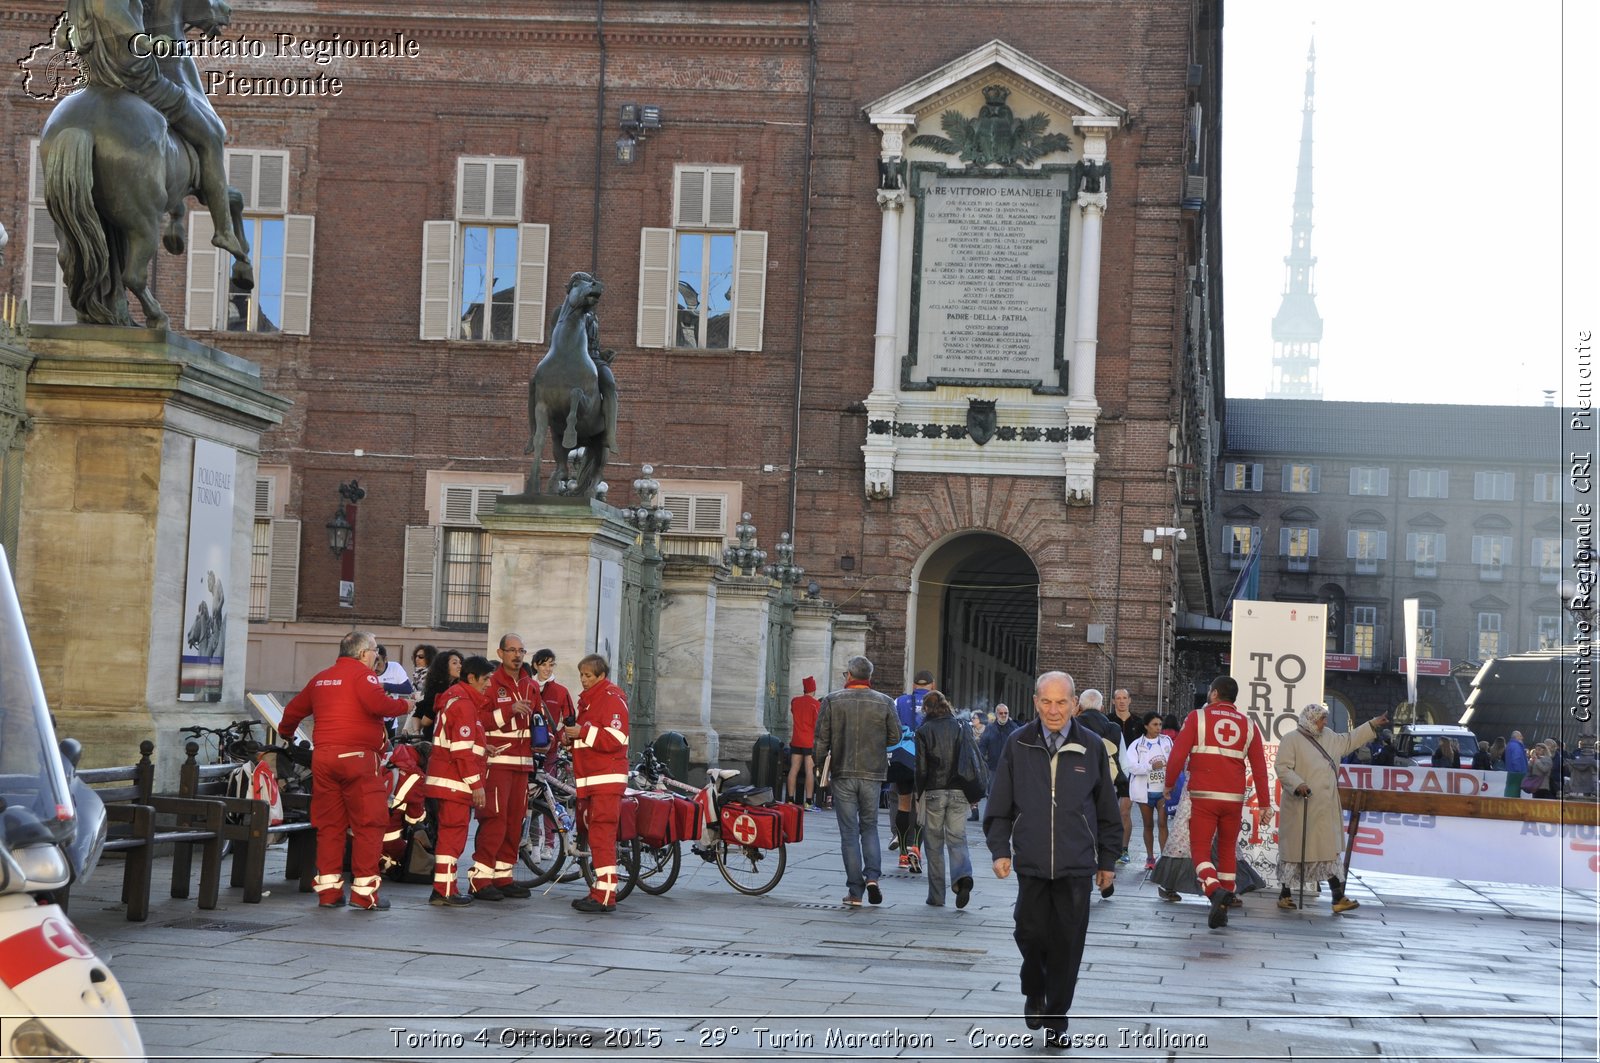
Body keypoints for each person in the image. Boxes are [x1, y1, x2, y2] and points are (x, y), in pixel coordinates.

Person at [984, 671, 1119, 1049]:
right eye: (1047, 701)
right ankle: (1035, 988)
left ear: (1075, 704)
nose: (1054, 710)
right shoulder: (1018, 743)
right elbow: (999, 807)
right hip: (1032, 861)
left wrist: (1107, 861)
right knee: (1028, 932)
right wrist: (999, 850)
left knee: (1067, 944)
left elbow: (1108, 810)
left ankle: (1057, 1017)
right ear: (1035, 702)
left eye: (1062, 702)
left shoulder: (1092, 746)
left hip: (1077, 865)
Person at [62, 0, 245, 262]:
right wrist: (147, 43)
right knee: (211, 136)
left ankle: (178, 211)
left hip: (95, 80)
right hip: (139, 79)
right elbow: (117, 18)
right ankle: (224, 230)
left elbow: (63, 36)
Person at [278, 631, 412, 910]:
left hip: (324, 760)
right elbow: (379, 705)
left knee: (329, 826)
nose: (377, 656)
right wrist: (405, 705)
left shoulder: (321, 678)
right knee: (368, 825)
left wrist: (287, 734)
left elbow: (292, 711)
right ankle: (365, 895)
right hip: (359, 761)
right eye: (374, 650)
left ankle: (328, 893)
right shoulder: (364, 677)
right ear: (363, 653)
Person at [1162, 675, 1271, 929]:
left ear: (1213, 694)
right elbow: (1259, 767)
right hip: (1233, 798)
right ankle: (1225, 897)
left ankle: (1213, 890)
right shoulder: (1249, 724)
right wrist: (1265, 804)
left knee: (1199, 848)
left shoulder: (1197, 718)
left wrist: (1168, 784)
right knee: (1226, 849)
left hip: (1203, 796)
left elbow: (1178, 754)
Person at [1273, 703, 1387, 914]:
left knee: (1328, 851)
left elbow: (1350, 740)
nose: (1324, 723)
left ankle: (1337, 897)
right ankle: (1286, 894)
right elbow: (1282, 767)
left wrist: (1372, 725)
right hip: (1302, 806)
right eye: (1321, 719)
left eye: (1325, 719)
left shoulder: (1330, 737)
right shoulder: (1291, 740)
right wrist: (1298, 784)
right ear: (1310, 720)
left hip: (1325, 807)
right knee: (1295, 851)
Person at [814, 655, 901, 907]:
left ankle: (855, 891)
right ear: (869, 677)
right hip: (872, 773)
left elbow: (821, 739)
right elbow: (895, 736)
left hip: (842, 772)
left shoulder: (832, 700)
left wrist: (820, 767)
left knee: (849, 833)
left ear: (849, 675)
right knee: (870, 826)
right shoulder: (884, 702)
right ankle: (873, 877)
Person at [469, 634, 537, 901]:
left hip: (523, 764)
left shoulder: (531, 685)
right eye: (512, 650)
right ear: (500, 653)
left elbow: (538, 717)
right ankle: (480, 879)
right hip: (497, 763)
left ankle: (503, 876)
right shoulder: (491, 681)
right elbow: (479, 721)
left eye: (521, 650)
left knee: (513, 822)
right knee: (494, 820)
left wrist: (546, 739)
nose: (517, 655)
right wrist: (509, 711)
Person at [423, 655, 492, 907]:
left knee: (450, 836)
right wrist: (477, 786)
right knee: (453, 837)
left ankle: (445, 887)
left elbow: (461, 743)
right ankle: (444, 890)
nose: (488, 685)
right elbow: (462, 752)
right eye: (485, 680)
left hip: (447, 779)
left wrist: (485, 748)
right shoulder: (464, 704)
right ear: (472, 678)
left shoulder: (456, 698)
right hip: (455, 781)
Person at [568, 653, 630, 913]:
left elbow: (615, 737)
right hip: (595, 779)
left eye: (588, 676)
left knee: (602, 837)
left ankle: (604, 895)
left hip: (605, 780)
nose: (583, 680)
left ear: (601, 676)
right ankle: (601, 891)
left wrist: (582, 732)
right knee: (599, 837)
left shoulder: (610, 699)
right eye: (581, 675)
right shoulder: (591, 700)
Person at [913, 690, 975, 908]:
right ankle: (963, 877)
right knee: (957, 838)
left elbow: (921, 769)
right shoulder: (961, 727)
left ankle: (937, 896)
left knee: (934, 844)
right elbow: (970, 760)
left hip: (934, 792)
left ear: (926, 709)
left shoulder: (923, 731)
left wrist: (918, 793)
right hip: (959, 791)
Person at [1075, 689, 1129, 864]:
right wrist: (1124, 787)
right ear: (1102, 707)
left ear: (1080, 706)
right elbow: (1123, 762)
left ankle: (1081, 851)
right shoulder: (1113, 728)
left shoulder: (1072, 725)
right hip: (1108, 782)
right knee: (1104, 818)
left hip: (1077, 781)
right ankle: (1102, 854)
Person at [891, 670, 935, 866]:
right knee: (921, 805)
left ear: (914, 685)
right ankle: (916, 847)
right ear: (932, 685)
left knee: (903, 804)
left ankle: (902, 852)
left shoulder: (899, 702)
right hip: (925, 760)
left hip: (903, 759)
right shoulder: (937, 702)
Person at [1124, 712, 1172, 870]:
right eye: (1155, 725)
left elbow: (1174, 760)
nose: (1159, 728)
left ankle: (1164, 858)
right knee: (1148, 824)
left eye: (1160, 724)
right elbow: (1131, 767)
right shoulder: (1137, 745)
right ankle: (1150, 857)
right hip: (1145, 792)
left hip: (1163, 791)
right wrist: (1151, 767)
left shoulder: (1167, 741)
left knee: (1163, 823)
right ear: (1146, 726)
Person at [530, 648, 574, 774]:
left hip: (550, 750)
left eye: (551, 665)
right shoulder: (527, 688)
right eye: (543, 664)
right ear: (535, 665)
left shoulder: (561, 691)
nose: (548, 669)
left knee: (548, 787)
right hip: (527, 748)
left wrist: (558, 737)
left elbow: (570, 719)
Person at [412, 649, 463, 739]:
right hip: (435, 737)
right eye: (455, 663)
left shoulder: (456, 686)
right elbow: (425, 719)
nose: (459, 666)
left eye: (460, 663)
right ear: (444, 666)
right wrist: (416, 731)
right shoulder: (439, 688)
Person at [788, 676, 821, 810]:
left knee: (793, 770)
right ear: (813, 689)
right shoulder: (816, 704)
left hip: (796, 740)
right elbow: (817, 725)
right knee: (809, 771)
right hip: (809, 742)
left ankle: (790, 800)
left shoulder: (795, 701)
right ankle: (808, 802)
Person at [979, 703, 1021, 780]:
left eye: (1006, 713)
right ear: (996, 714)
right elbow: (982, 747)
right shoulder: (989, 728)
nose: (1003, 715)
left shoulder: (1015, 728)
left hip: (1010, 769)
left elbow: (1020, 748)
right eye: (1001, 713)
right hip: (993, 769)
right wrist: (982, 764)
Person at [1504, 731, 1530, 797]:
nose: (1522, 738)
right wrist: (1518, 770)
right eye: (1521, 736)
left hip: (1511, 772)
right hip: (1518, 773)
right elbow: (1516, 759)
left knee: (1510, 790)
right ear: (1517, 737)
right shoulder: (1517, 746)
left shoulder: (1510, 745)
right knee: (1515, 791)